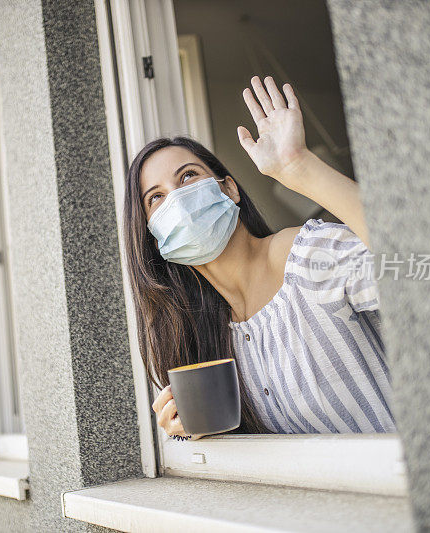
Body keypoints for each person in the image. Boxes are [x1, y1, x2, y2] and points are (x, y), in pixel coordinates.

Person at [123, 75, 395, 439]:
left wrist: (300, 168)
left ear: (229, 188)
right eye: (155, 198)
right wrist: (194, 430)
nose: (177, 201)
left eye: (187, 176)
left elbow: (428, 268)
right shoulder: (207, 336)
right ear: (154, 238)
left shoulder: (308, 256)